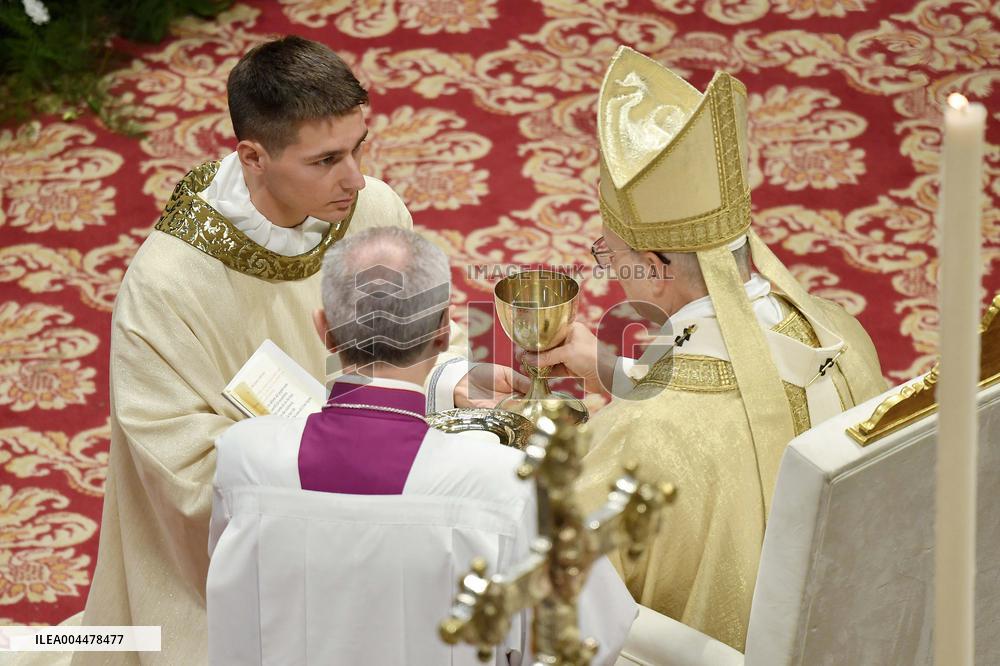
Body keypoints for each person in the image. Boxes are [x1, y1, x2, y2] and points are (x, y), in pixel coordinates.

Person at [74, 36, 524, 666]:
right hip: (237, 576)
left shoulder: (372, 209)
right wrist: (336, 462)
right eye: (325, 160)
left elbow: (409, 334)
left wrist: (446, 378)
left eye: (358, 148)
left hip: (371, 506)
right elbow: (180, 468)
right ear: (253, 157)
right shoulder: (167, 285)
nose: (356, 179)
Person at [524, 46, 888, 651]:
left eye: (611, 256)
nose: (610, 273)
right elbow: (754, 397)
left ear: (655, 266)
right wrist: (623, 374)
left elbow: (564, 586)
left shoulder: (644, 432)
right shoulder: (841, 334)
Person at [207, 227, 637, 665]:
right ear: (442, 332)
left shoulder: (243, 458)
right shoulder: (509, 486)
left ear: (325, 332)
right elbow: (589, 638)